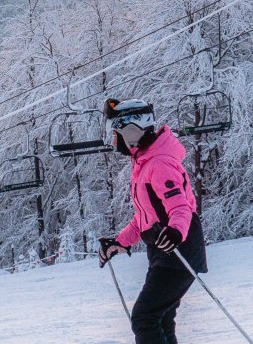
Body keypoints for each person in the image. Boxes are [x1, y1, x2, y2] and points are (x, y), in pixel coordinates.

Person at [96, 98, 207, 344]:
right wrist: (119, 242)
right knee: (161, 318)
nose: (115, 142)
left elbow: (180, 208)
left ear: (131, 131)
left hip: (179, 251)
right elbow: (144, 218)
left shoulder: (159, 163)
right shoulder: (145, 163)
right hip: (163, 252)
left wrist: (176, 232)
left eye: (116, 134)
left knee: (144, 317)